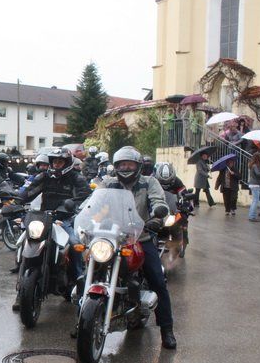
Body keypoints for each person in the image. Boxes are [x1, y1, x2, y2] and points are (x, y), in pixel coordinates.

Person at [101, 146, 176, 349]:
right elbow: (94, 203)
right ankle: (84, 321)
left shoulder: (149, 182)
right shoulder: (108, 183)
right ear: (116, 166)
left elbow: (158, 201)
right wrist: (86, 213)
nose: (125, 168)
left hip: (140, 237)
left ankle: (167, 330)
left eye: (129, 164)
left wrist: (158, 215)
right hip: (112, 237)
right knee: (91, 266)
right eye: (121, 164)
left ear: (138, 166)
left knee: (157, 281)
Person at [17, 148, 91, 310]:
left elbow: (86, 196)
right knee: (26, 241)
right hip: (44, 217)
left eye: (60, 162)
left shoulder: (76, 178)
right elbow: (30, 191)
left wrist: (71, 205)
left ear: (67, 163)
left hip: (66, 219)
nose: (56, 165)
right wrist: (16, 200)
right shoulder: (45, 176)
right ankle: (20, 293)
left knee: (74, 244)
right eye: (54, 162)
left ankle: (80, 284)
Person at [154, 161, 190, 255]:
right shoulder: (153, 181)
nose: (165, 184)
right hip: (158, 208)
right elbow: (147, 194)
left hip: (173, 209)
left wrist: (186, 206)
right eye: (162, 182)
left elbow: (184, 194)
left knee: (183, 219)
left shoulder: (178, 182)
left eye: (168, 182)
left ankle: (183, 242)